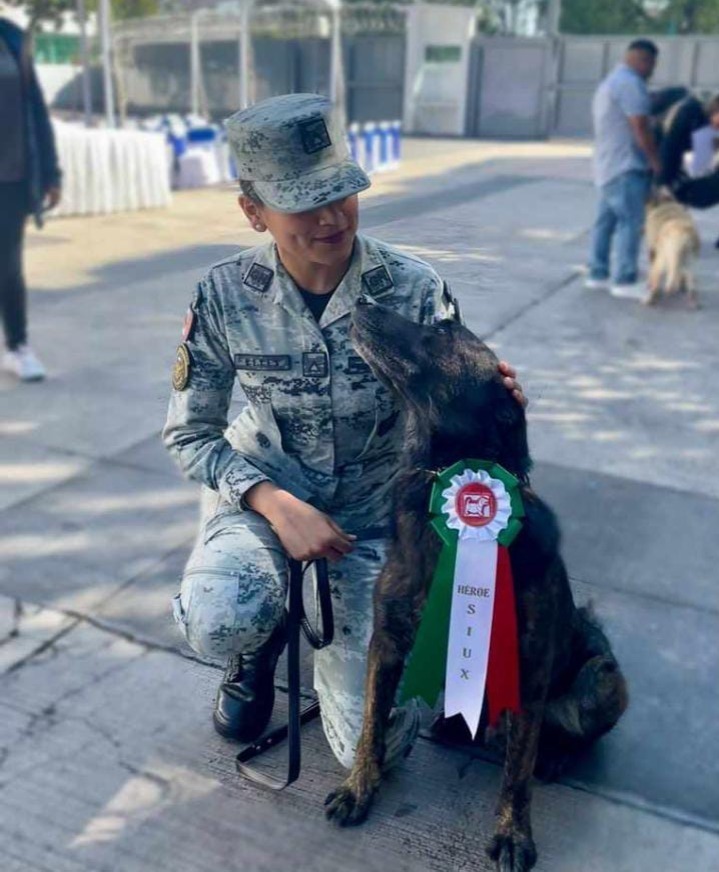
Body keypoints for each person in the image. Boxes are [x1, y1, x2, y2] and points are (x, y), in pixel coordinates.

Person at [162, 93, 526, 770]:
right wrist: (271, 501)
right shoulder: (222, 296)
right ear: (253, 212)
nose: (331, 218)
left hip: (376, 512)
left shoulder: (413, 290)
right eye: (303, 202)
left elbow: (456, 422)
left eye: (342, 194)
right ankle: (259, 641)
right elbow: (191, 437)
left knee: (378, 743)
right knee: (222, 611)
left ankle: (332, 629)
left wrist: (494, 406)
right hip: (267, 492)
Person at [0, 11, 61, 382]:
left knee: (7, 267)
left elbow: (36, 110)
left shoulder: (12, 39)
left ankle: (17, 346)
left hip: (11, 177)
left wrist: (51, 172)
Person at [587, 39, 661, 301]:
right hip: (626, 166)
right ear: (643, 60)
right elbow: (639, 127)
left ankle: (597, 274)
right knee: (631, 222)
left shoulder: (611, 81)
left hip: (607, 166)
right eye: (652, 64)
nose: (653, 70)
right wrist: (655, 160)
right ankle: (624, 280)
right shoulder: (631, 84)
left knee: (605, 223)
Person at [657, 92, 719, 235]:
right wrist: (663, 184)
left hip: (679, 153)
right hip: (657, 145)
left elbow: (702, 165)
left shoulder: (707, 125)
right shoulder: (688, 112)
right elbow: (670, 149)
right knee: (664, 187)